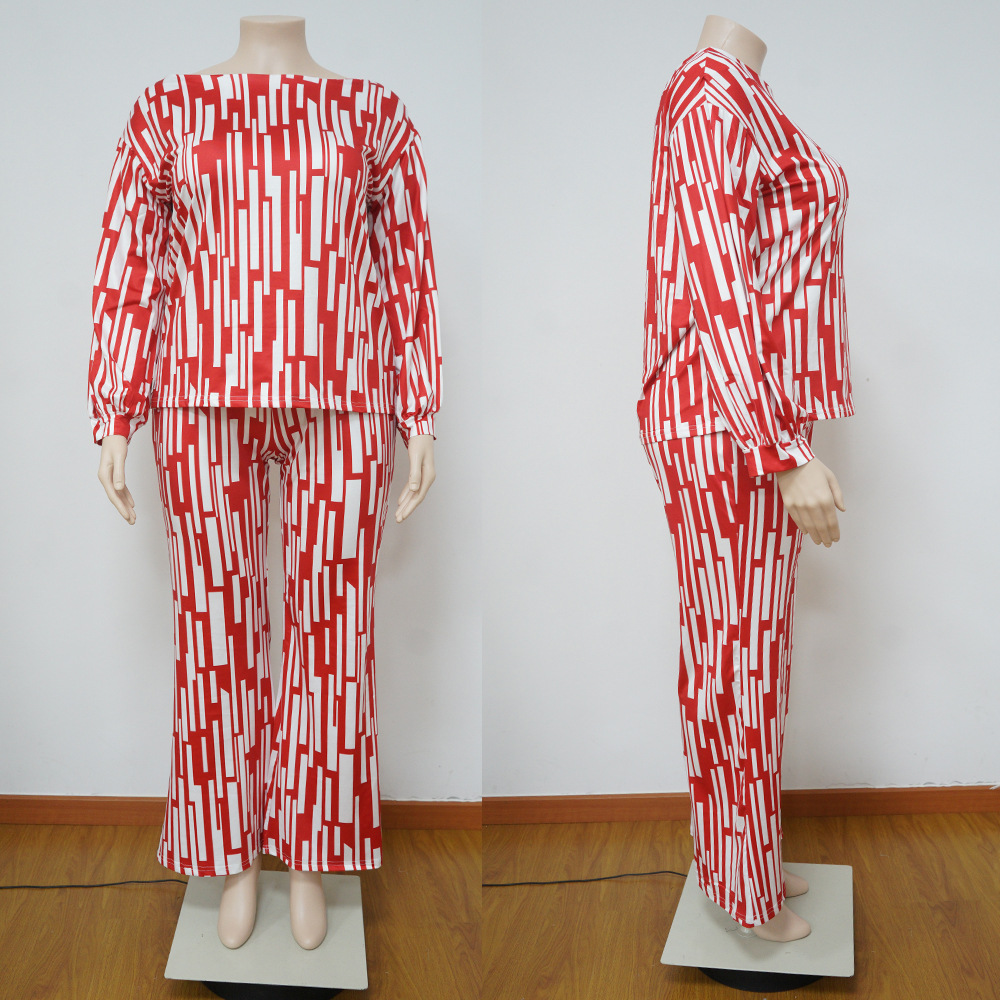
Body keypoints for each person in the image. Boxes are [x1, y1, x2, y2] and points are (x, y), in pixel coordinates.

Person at [88, 14, 441, 951]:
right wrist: (115, 411)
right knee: (214, 629)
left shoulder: (372, 113)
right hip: (202, 396)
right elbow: (130, 263)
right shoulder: (167, 109)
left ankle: (312, 853)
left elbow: (409, 268)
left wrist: (419, 412)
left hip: (343, 396)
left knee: (334, 632)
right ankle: (230, 852)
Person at [638, 16, 852, 943]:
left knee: (746, 655)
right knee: (738, 657)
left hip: (746, 416)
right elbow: (716, 283)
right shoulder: (707, 92)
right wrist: (783, 449)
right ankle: (740, 884)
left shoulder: (740, 94)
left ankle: (741, 853)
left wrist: (785, 436)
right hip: (727, 421)